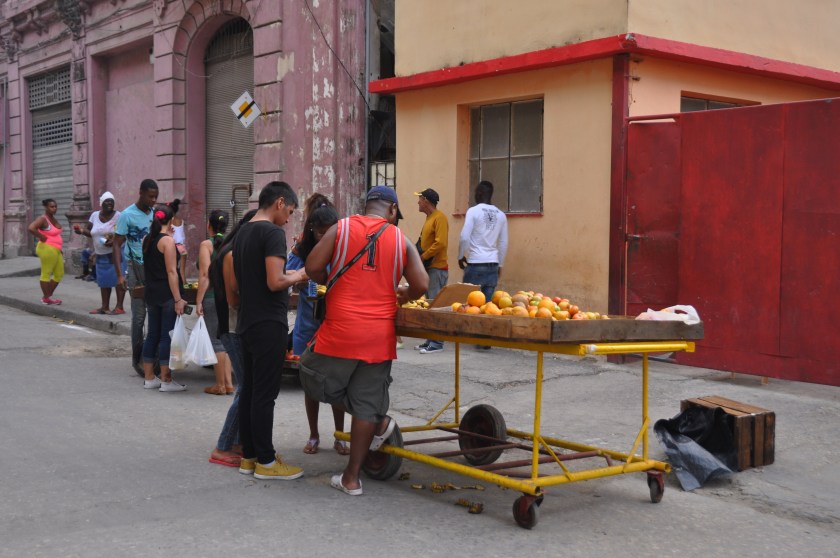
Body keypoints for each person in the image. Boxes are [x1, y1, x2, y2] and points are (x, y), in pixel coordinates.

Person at [299, 185, 428, 496]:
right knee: (366, 404)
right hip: (379, 335)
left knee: (308, 373)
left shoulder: (341, 228)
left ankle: (378, 423)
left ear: (367, 205)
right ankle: (352, 477)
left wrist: (329, 281)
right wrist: (403, 294)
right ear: (392, 210)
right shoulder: (401, 240)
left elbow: (312, 267)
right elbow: (421, 284)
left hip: (341, 331)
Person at [232, 181, 307, 480]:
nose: (288, 219)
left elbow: (252, 280)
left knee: (250, 391)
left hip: (248, 322)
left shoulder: (244, 232)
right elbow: (275, 282)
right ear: (279, 202)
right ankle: (265, 461)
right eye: (289, 210)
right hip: (268, 324)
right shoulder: (272, 233)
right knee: (264, 395)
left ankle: (249, 457)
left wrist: (287, 275)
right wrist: (299, 275)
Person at [286, 194, 349, 455]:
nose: (325, 238)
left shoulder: (344, 244)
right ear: (312, 231)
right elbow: (290, 274)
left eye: (329, 233)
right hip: (308, 323)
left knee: (336, 383)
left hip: (335, 322)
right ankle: (313, 434)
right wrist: (310, 284)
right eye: (320, 233)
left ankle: (339, 435)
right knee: (310, 382)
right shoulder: (302, 247)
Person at [207, 209, 257, 468]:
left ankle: (236, 440)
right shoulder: (232, 254)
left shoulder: (235, 250)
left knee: (247, 387)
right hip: (234, 328)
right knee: (246, 388)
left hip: (237, 327)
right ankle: (223, 446)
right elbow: (234, 298)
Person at [140, 204, 188, 391]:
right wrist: (178, 299)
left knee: (152, 334)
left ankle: (149, 377)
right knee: (166, 335)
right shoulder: (167, 242)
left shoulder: (147, 239)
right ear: (169, 220)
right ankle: (166, 380)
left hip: (151, 292)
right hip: (166, 294)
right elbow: (171, 272)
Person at [114, 179, 159, 376]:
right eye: (150, 196)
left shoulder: (154, 215)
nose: (153, 200)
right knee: (139, 316)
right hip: (135, 268)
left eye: (156, 196)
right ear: (140, 193)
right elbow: (117, 244)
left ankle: (151, 358)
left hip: (153, 269)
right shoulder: (127, 215)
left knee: (155, 314)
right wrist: (119, 275)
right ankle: (137, 358)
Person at [195, 210, 234, 395]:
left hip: (212, 297)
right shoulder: (231, 243)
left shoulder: (206, 245)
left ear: (208, 225)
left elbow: (204, 276)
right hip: (228, 298)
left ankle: (219, 385)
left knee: (216, 342)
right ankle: (228, 383)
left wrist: (198, 300)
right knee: (225, 341)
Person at [77, 191, 127, 314]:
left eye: (112, 201)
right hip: (100, 254)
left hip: (116, 253)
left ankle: (119, 307)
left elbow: (126, 233)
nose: (110, 203)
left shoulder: (119, 216)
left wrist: (114, 240)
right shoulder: (94, 216)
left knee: (118, 279)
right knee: (103, 280)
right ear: (101, 203)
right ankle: (104, 307)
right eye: (107, 201)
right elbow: (90, 232)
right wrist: (81, 231)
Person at [413, 188, 449, 354]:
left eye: (420, 199)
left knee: (435, 305)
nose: (418, 202)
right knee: (430, 304)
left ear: (426, 200)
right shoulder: (430, 218)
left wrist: (423, 256)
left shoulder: (439, 218)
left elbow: (440, 243)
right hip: (429, 267)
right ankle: (430, 340)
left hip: (437, 268)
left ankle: (437, 343)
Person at [27, 198, 64, 305]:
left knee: (59, 273)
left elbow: (56, 233)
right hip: (47, 248)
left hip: (56, 249)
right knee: (46, 273)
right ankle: (47, 298)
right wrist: (41, 236)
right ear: (46, 208)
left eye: (55, 206)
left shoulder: (53, 218)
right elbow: (31, 228)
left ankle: (47, 297)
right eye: (52, 207)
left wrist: (59, 249)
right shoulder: (43, 219)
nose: (54, 208)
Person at [169, 199, 187, 283]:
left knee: (173, 271)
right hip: (182, 247)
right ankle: (185, 289)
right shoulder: (181, 220)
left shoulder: (169, 221)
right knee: (182, 272)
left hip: (174, 248)